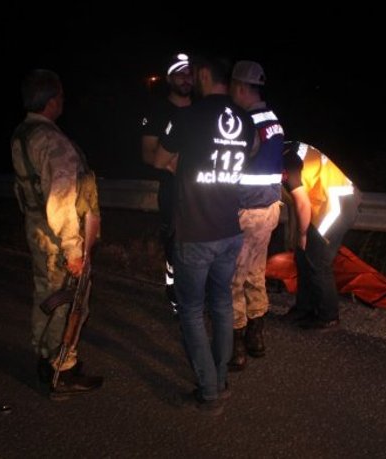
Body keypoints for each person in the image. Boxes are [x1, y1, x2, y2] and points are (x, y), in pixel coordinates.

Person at [154, 57, 255, 415]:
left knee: (193, 311)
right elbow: (251, 152)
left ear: (204, 75)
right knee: (223, 304)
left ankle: (209, 390)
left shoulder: (187, 117)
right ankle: (221, 378)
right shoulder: (244, 120)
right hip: (229, 230)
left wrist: (186, 162)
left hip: (195, 232)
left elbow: (158, 158)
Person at [10, 69, 103, 398]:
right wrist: (73, 250)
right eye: (60, 96)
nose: (63, 102)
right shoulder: (51, 140)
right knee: (68, 302)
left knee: (45, 296)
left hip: (38, 228)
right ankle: (63, 369)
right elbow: (60, 198)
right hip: (57, 233)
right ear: (51, 100)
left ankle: (45, 357)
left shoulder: (23, 133)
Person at [227, 61, 284, 371]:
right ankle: (256, 336)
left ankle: (236, 345)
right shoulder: (273, 120)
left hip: (247, 210)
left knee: (232, 279)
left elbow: (235, 163)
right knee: (255, 272)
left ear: (239, 87)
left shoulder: (245, 124)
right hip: (270, 209)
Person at [280, 141, 361, 329]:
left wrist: (301, 234)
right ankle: (304, 308)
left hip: (336, 206)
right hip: (325, 200)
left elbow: (301, 204)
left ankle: (328, 316)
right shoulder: (287, 147)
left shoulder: (287, 161)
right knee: (302, 257)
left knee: (318, 261)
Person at [141, 52, 193, 316]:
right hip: (172, 191)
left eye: (189, 73)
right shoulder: (158, 111)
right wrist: (174, 166)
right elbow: (148, 152)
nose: (186, 79)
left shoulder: (201, 110)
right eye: (180, 73)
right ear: (170, 78)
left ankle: (195, 294)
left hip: (202, 192)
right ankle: (174, 295)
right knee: (173, 244)